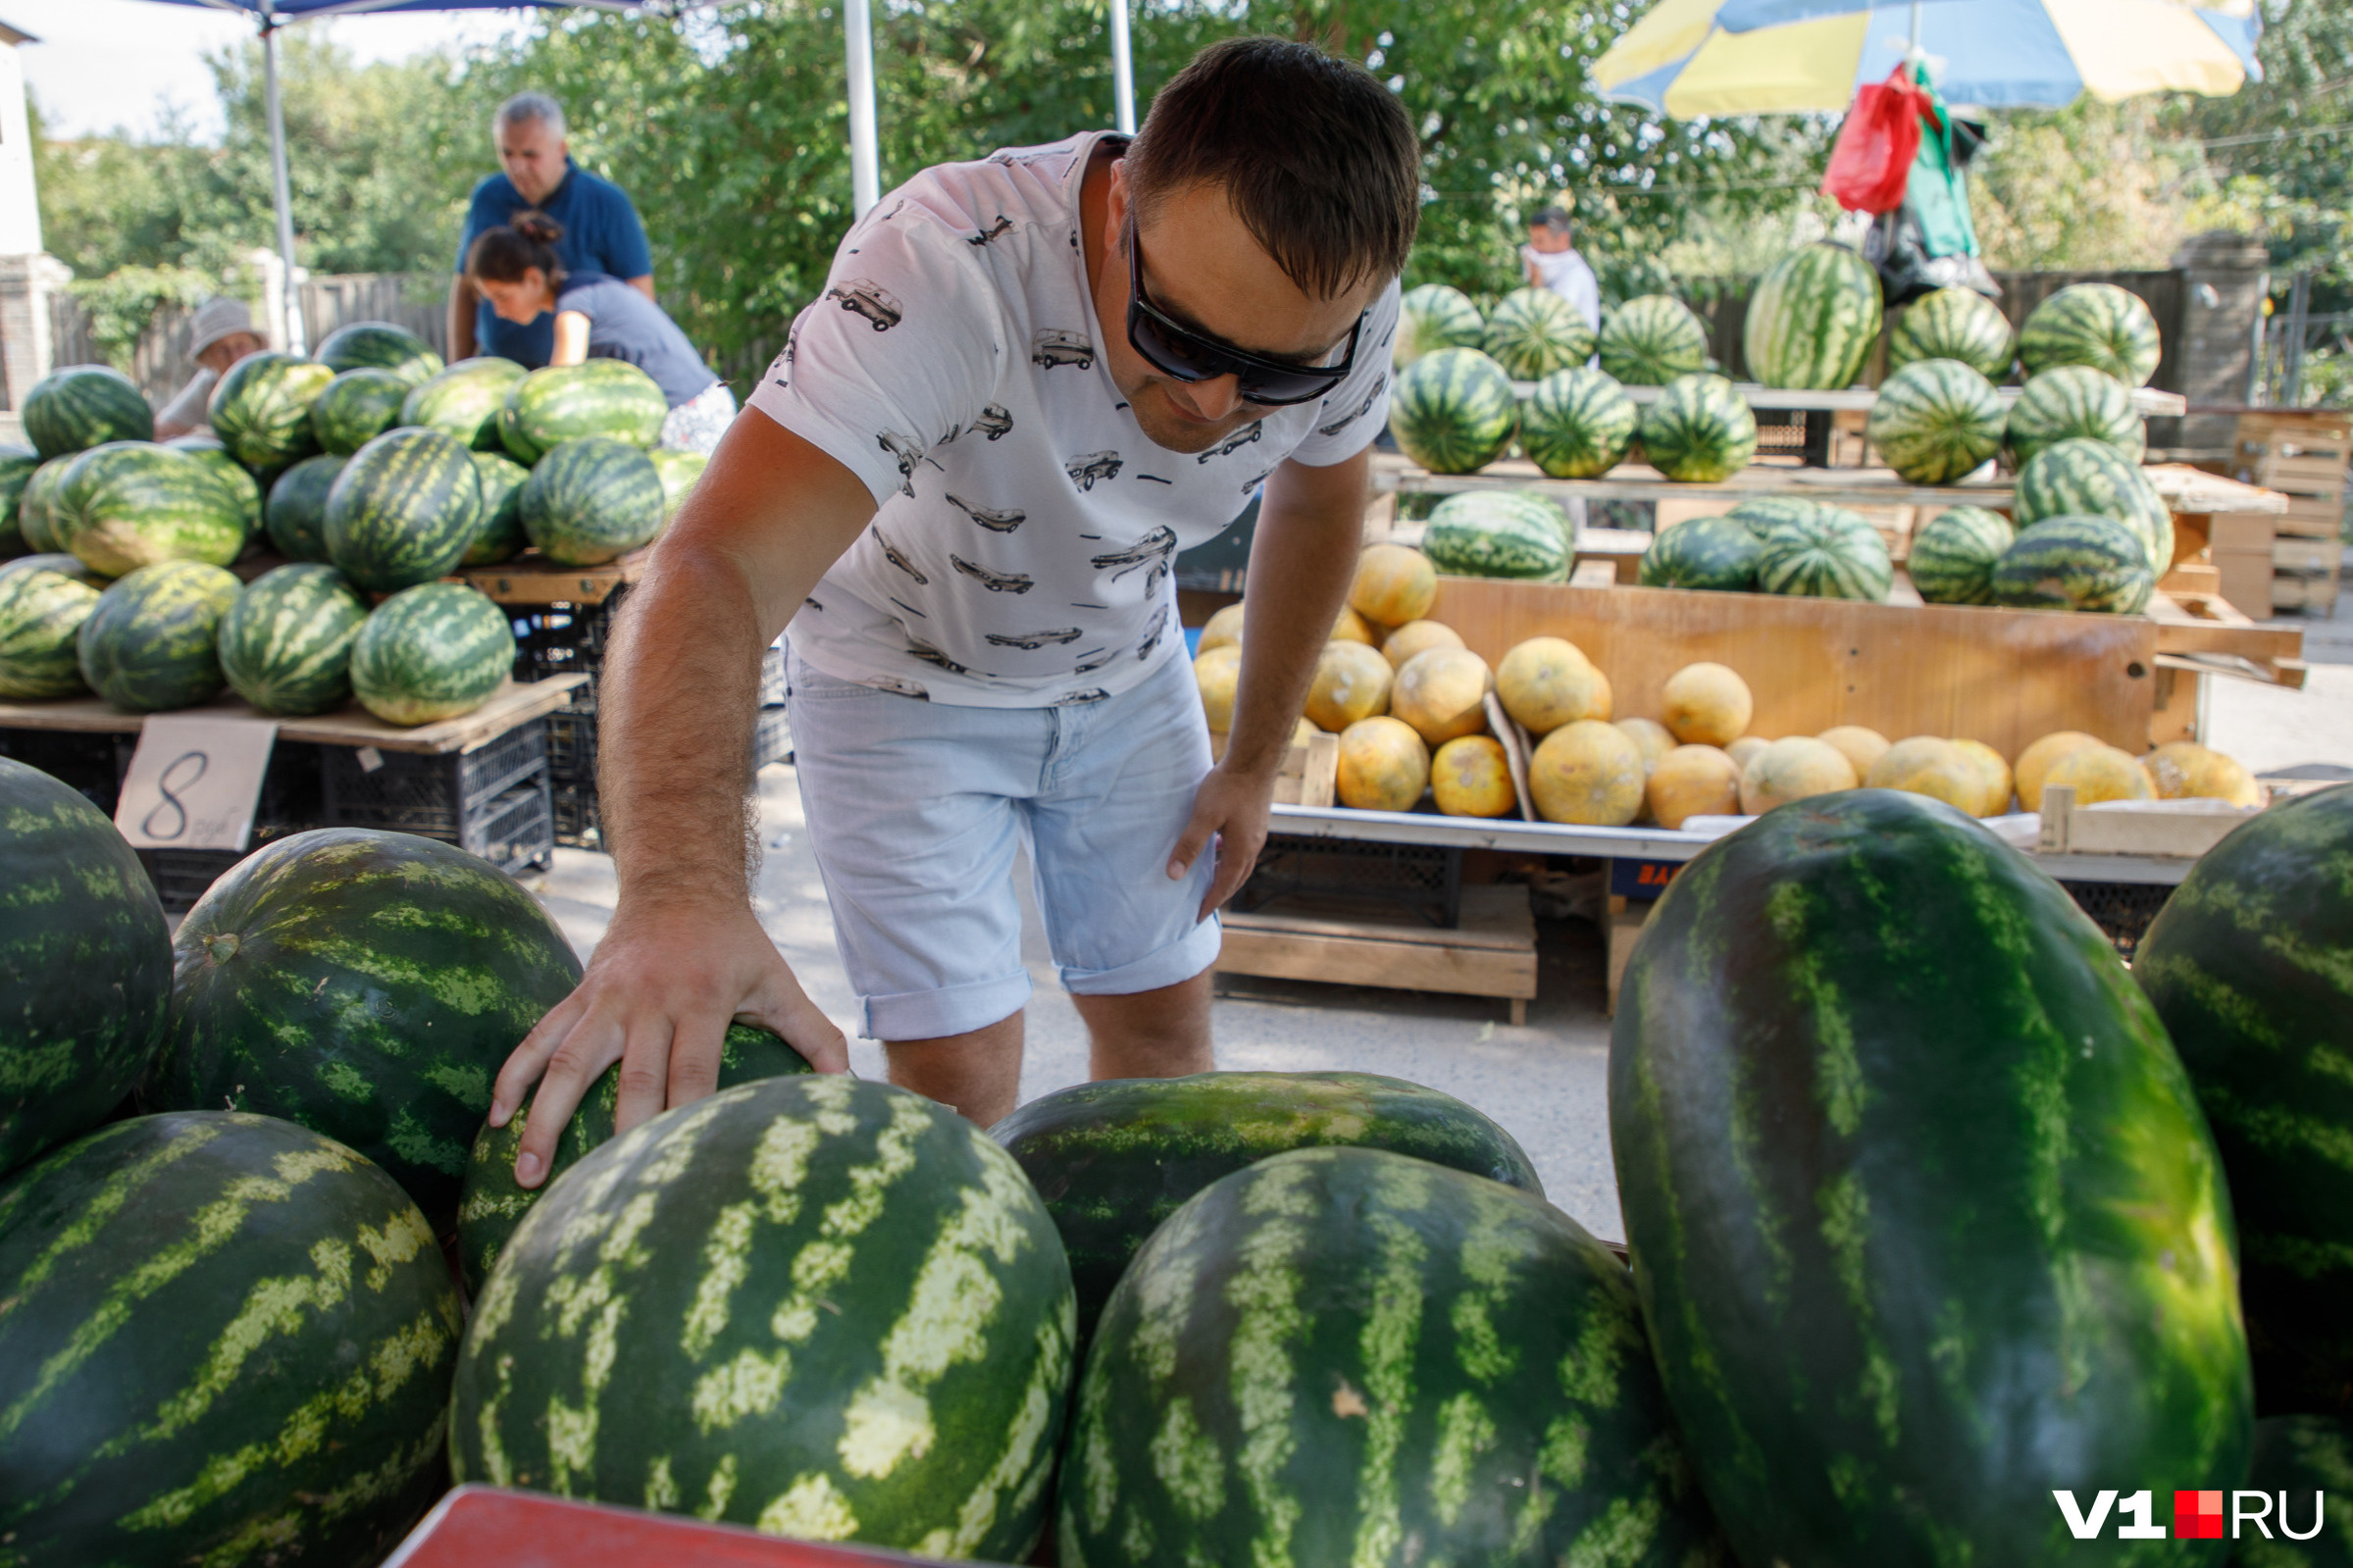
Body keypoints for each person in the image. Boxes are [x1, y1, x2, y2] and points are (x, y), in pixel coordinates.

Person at [488, 36, 1416, 1180]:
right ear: (1122, 199)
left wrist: (1253, 758)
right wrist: (679, 895)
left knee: (1166, 1047)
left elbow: (1321, 507)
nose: (1217, 401)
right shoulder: (941, 265)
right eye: (1178, 336)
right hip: (896, 678)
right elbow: (709, 567)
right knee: (960, 1084)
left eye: (1277, 376)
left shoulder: (1347, 309)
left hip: (1126, 670)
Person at [466, 213, 737, 454]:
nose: (499, 311)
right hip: (704, 403)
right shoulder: (583, 287)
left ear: (533, 278)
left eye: (501, 296)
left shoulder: (573, 305)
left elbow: (557, 392)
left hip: (688, 413)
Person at [448, 92, 654, 368]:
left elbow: (641, 301)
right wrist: (456, 370)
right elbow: (465, 288)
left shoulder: (606, 203)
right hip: (498, 371)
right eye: (507, 153)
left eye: (530, 155)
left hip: (583, 380)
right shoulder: (488, 197)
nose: (517, 166)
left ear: (561, 148)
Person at [153, 297, 268, 438]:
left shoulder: (279, 376)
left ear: (257, 346)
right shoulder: (208, 384)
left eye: (241, 346)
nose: (234, 357)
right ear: (208, 358)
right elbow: (160, 429)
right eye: (222, 350)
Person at [1522, 204, 1601, 333]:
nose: (1533, 248)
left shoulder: (1574, 274)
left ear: (1563, 239)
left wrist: (1536, 284)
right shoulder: (1554, 272)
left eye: (1539, 241)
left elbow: (1549, 322)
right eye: (1532, 241)